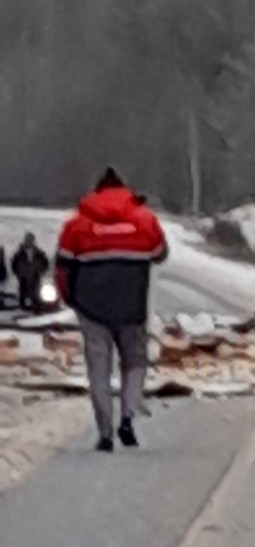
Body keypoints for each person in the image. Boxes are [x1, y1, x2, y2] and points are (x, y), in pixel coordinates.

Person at [56, 167, 168, 452]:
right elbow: (160, 253)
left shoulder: (77, 225)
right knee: (135, 363)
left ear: (96, 192)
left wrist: (70, 298)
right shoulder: (144, 220)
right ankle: (128, 416)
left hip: (91, 307)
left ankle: (105, 432)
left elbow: (62, 268)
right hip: (132, 306)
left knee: (98, 369)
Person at [11, 232, 49, 312]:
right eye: (28, 240)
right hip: (24, 275)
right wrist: (18, 273)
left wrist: (41, 271)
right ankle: (24, 307)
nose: (29, 242)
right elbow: (14, 263)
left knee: (35, 291)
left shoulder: (37, 252)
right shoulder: (20, 252)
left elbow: (45, 262)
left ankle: (36, 306)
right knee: (23, 291)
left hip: (35, 274)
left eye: (30, 240)